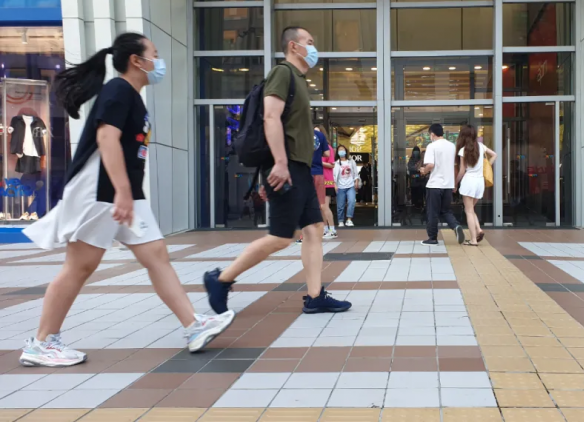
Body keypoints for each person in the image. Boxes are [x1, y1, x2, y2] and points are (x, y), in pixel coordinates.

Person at [20, 32, 234, 367]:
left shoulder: (131, 95)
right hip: (102, 191)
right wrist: (121, 191)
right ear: (137, 60)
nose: (159, 62)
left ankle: (194, 326)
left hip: (124, 193)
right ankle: (42, 343)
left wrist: (126, 192)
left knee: (156, 255)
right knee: (80, 266)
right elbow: (107, 138)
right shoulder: (118, 90)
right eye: (155, 54)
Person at [203, 26, 351, 316]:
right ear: (294, 46)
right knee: (282, 237)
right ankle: (220, 280)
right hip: (289, 168)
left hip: (300, 169)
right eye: (309, 42)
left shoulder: (298, 79)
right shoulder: (283, 73)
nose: (314, 48)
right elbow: (270, 117)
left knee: (314, 229)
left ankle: (315, 296)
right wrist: (279, 164)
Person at [420, 124, 465, 246]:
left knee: (432, 212)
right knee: (446, 211)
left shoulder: (432, 146)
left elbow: (430, 165)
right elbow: (454, 167)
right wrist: (454, 183)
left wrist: (424, 171)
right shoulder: (451, 146)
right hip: (448, 185)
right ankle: (456, 226)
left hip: (435, 185)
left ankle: (432, 238)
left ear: (432, 134)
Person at [456, 124, 496, 246]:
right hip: (480, 182)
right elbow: (495, 154)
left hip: (469, 181)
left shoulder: (463, 150)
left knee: (468, 211)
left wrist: (455, 183)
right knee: (471, 209)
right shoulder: (481, 146)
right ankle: (478, 230)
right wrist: (487, 165)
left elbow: (462, 170)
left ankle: (473, 240)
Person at [316, 125, 337, 238]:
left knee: (324, 206)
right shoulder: (314, 149)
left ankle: (332, 230)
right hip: (317, 180)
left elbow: (332, 164)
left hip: (327, 180)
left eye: (318, 132)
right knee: (320, 207)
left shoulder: (328, 148)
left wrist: (319, 162)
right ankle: (325, 229)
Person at [333, 145, 358, 227]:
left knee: (351, 202)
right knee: (340, 205)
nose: (341, 151)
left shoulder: (351, 162)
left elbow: (355, 173)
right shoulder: (336, 163)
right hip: (340, 187)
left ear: (346, 151)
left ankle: (349, 219)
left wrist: (356, 181)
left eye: (342, 149)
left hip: (350, 186)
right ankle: (340, 221)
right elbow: (333, 176)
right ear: (337, 152)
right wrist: (335, 185)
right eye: (339, 150)